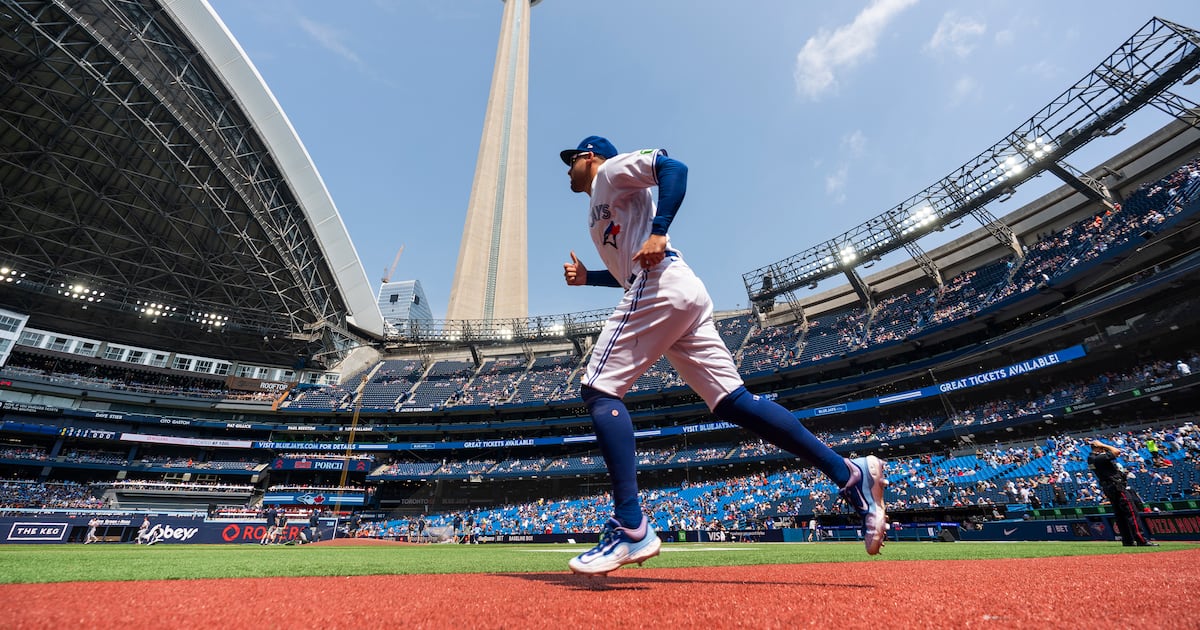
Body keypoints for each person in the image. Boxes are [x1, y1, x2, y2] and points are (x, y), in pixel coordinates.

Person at [557, 136, 887, 575]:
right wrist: (589, 279)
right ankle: (850, 474)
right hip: (670, 289)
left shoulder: (613, 171)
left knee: (599, 388)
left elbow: (675, 169)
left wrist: (659, 230)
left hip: (661, 283)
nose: (567, 169)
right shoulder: (598, 207)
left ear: (591, 156)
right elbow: (627, 269)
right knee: (735, 402)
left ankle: (631, 525)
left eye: (571, 159)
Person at [1088, 440, 1156, 546]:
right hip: (1117, 487)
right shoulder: (1099, 458)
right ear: (1098, 448)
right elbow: (1117, 451)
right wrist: (1103, 445)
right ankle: (1141, 539)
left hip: (1109, 488)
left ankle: (1127, 540)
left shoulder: (1090, 459)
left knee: (1120, 515)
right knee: (1131, 512)